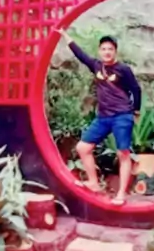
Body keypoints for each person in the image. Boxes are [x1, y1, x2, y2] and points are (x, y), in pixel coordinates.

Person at [57, 30, 142, 205]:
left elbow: (136, 89)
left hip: (121, 116)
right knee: (83, 148)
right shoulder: (96, 65)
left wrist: (136, 111)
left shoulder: (123, 69)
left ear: (115, 51)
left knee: (123, 153)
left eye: (110, 49)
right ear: (99, 51)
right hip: (103, 117)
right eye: (104, 49)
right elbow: (80, 55)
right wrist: (65, 35)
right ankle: (94, 183)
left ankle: (121, 194)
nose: (107, 52)